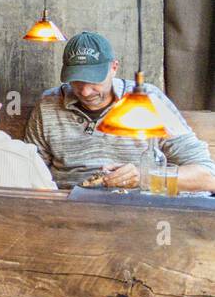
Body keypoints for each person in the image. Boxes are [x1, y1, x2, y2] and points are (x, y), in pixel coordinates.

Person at [24, 32, 215, 190]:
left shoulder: (149, 100)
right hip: (67, 210)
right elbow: (29, 170)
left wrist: (144, 177)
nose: (85, 91)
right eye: (76, 81)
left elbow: (207, 175)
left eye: (93, 80)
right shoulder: (49, 104)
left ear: (114, 67)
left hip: (136, 210)